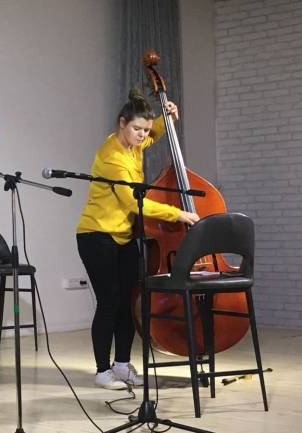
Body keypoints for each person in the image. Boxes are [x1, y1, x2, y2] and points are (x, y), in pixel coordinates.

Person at [76, 90, 200, 390]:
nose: (143, 135)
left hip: (123, 236)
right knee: (109, 303)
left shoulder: (136, 143)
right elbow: (134, 203)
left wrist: (166, 116)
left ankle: (121, 365)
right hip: (96, 236)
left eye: (145, 130)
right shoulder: (112, 158)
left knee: (128, 303)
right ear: (122, 123)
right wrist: (177, 214)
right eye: (137, 129)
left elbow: (155, 131)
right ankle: (102, 370)